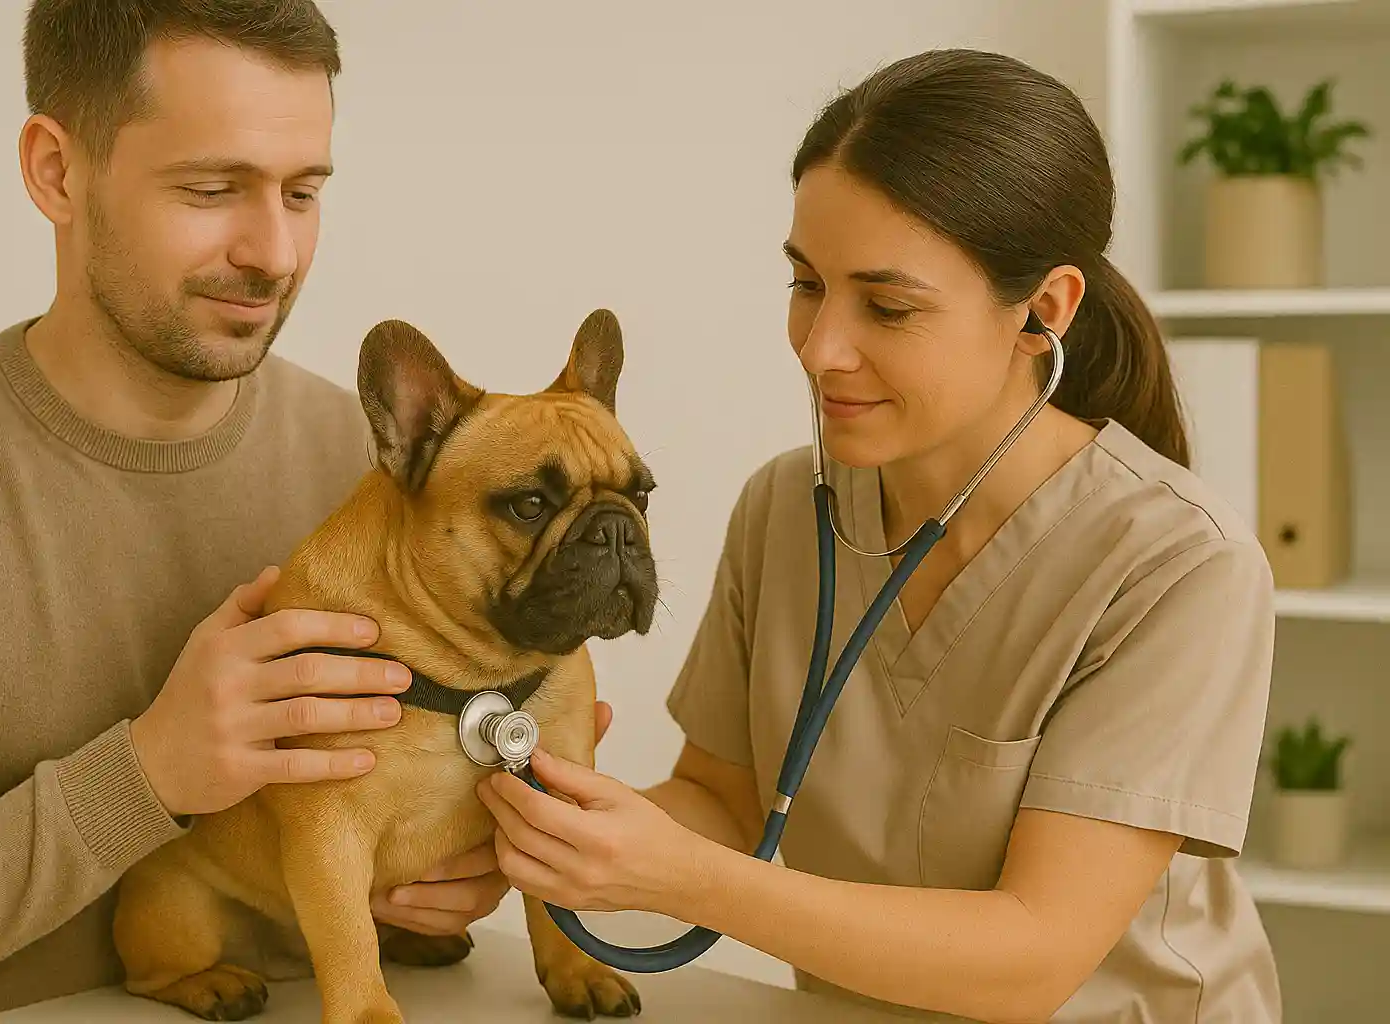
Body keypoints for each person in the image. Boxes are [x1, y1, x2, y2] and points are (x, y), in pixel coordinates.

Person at [478, 48, 1283, 1023]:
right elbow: (723, 805)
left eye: (888, 306)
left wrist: (680, 878)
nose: (821, 349)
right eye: (806, 282)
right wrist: (536, 829)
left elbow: (1034, 956)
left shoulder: (1175, 565)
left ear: (1045, 310)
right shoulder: (786, 507)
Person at [0, 3, 519, 1021]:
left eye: (303, 192)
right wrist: (149, 772)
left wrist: (468, 856)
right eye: (212, 189)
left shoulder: (384, 471)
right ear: (56, 171)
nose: (274, 251)